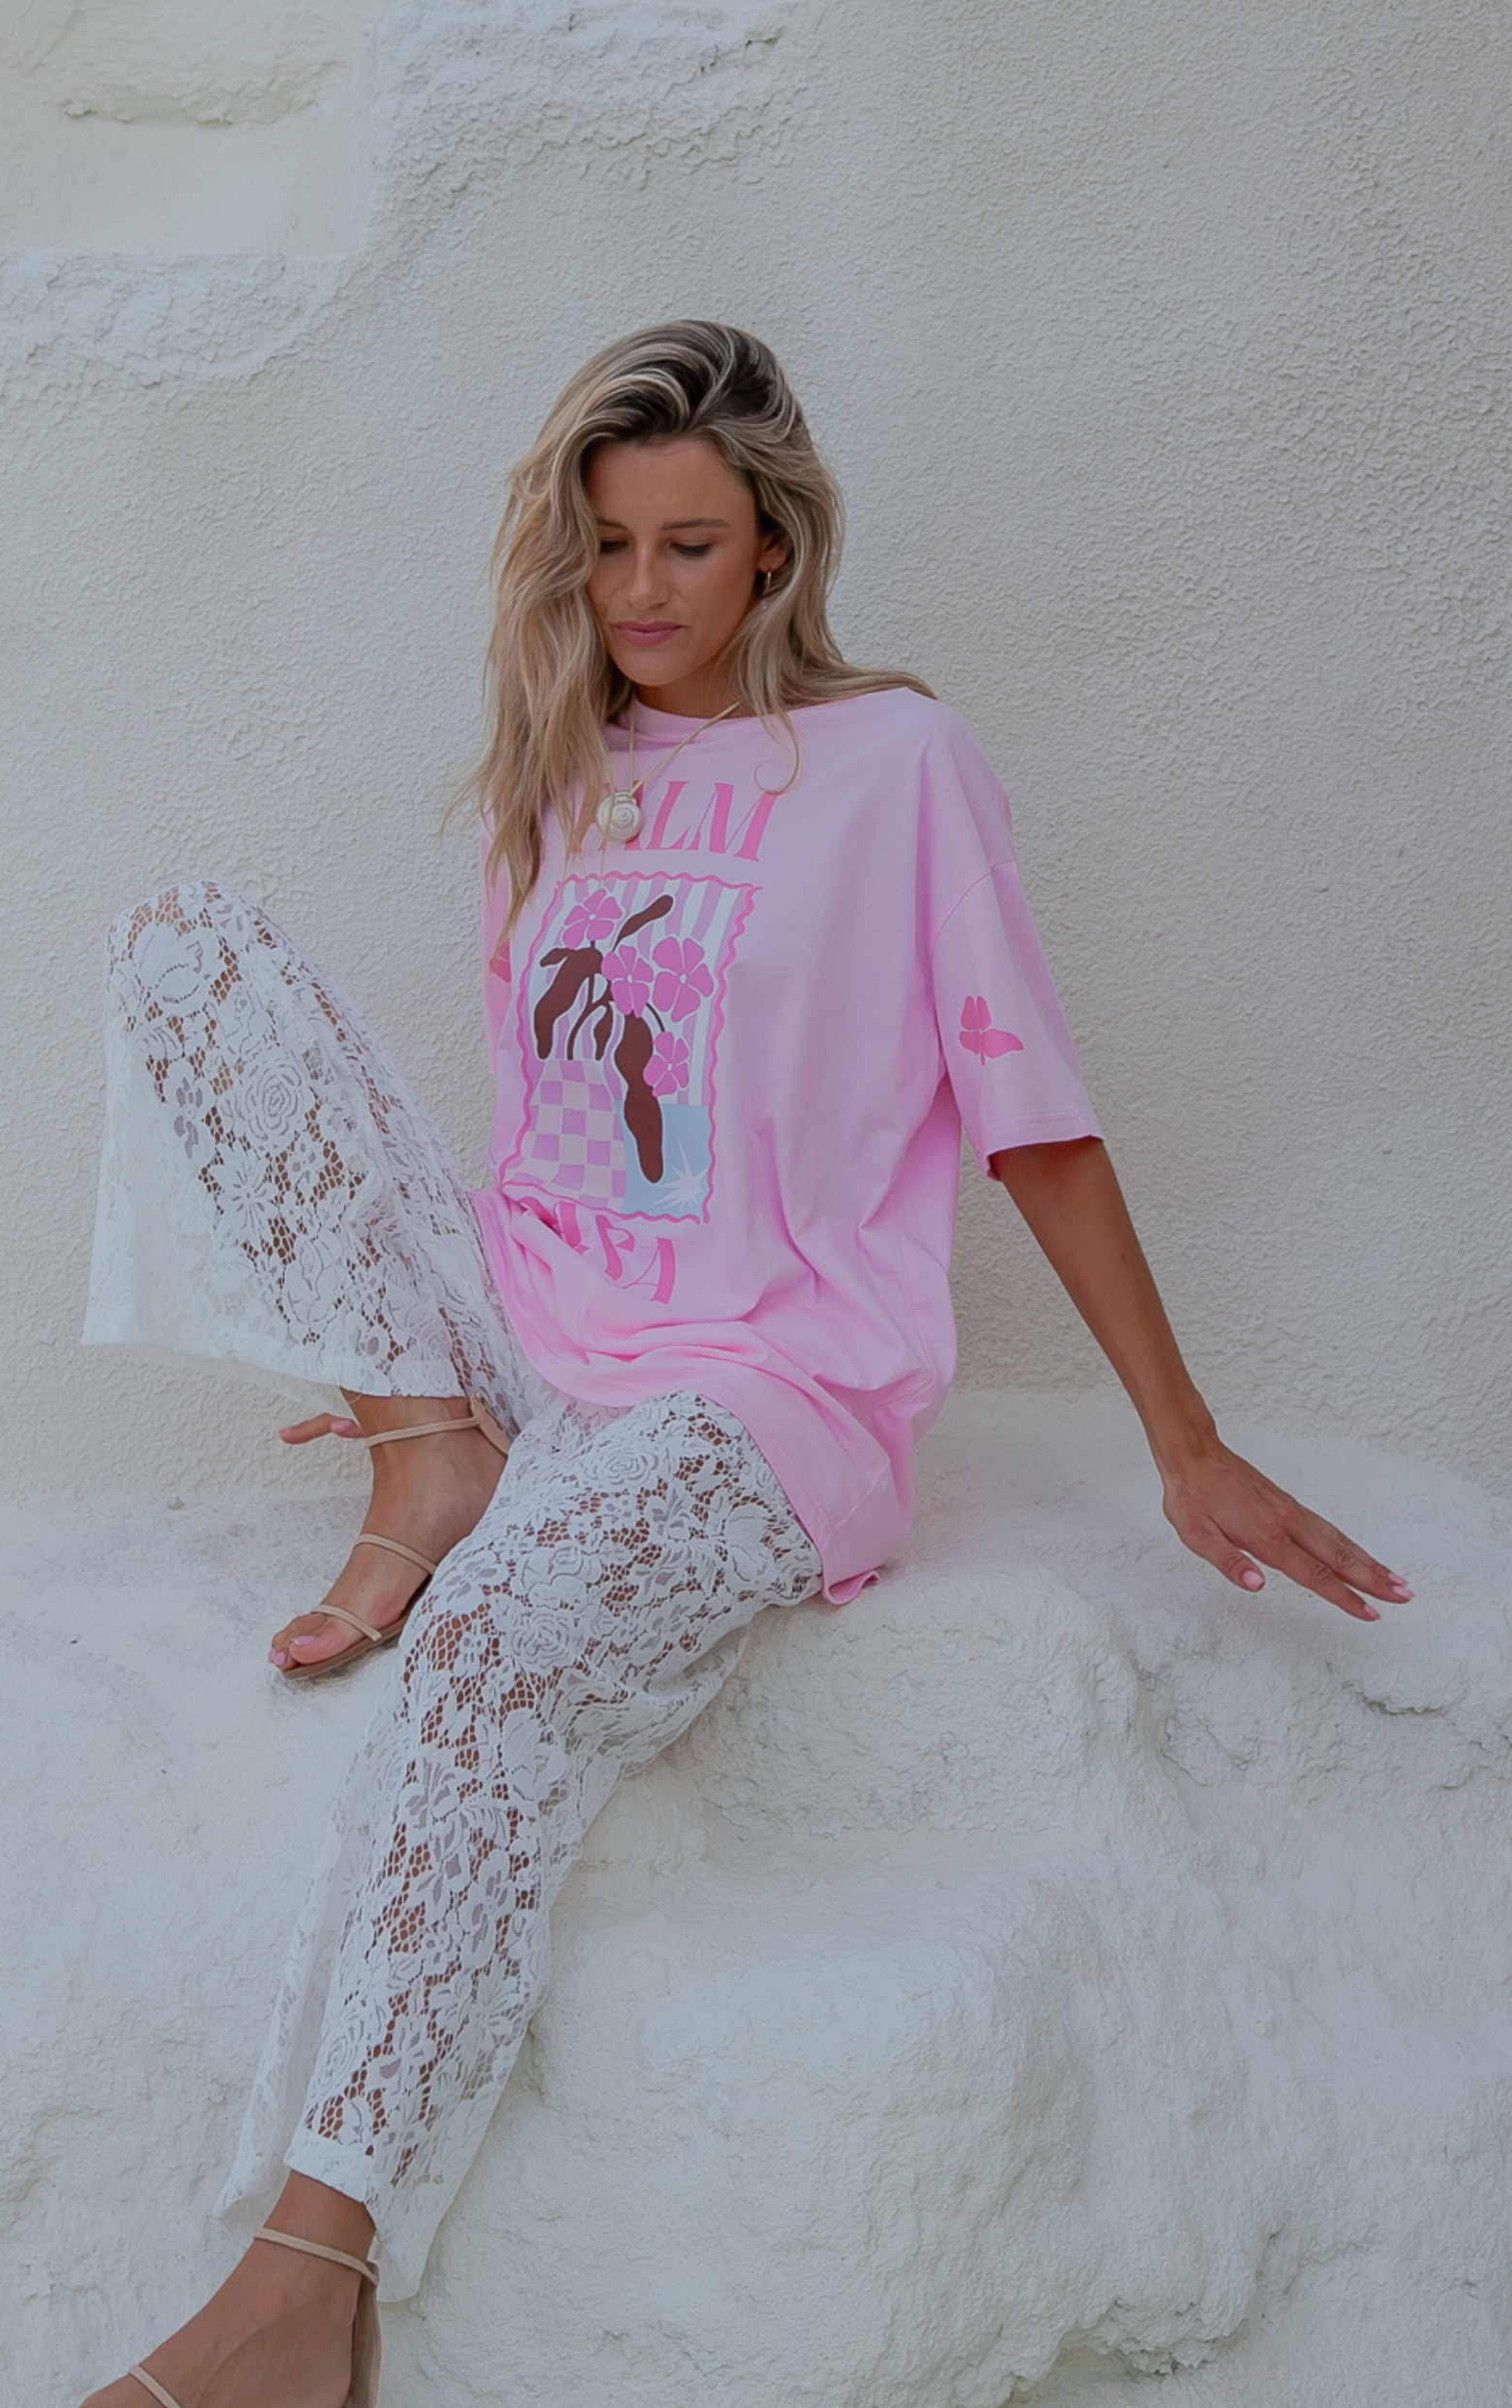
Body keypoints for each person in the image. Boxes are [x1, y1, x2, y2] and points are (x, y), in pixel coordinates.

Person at [77, 320, 1408, 2408]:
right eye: (606, 548)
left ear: (780, 548)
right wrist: (419, 1343)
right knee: (183, 940)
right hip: (540, 1346)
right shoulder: (560, 773)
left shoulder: (897, 766)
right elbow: (554, 1139)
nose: (641, 593)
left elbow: (1030, 1111)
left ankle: (305, 2273)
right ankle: (436, 1451)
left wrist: (1188, 1437)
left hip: (768, 1390)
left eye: (691, 545)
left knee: (499, 1642)